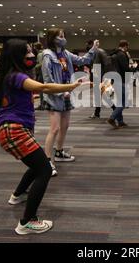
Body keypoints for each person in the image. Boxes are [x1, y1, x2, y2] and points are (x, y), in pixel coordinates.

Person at [0, 39, 86, 235]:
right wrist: (70, 86)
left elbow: (31, 94)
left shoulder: (10, 77)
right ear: (16, 55)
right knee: (44, 169)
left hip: (13, 130)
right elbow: (44, 87)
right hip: (15, 131)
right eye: (27, 52)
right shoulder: (16, 76)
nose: (31, 55)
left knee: (36, 166)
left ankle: (17, 195)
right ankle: (27, 222)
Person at [41, 28, 97, 176]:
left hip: (66, 94)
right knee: (54, 129)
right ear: (53, 38)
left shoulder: (65, 54)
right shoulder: (48, 55)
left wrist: (93, 49)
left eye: (63, 36)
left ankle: (58, 152)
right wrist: (61, 91)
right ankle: (47, 161)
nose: (63, 38)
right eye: (60, 36)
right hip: (55, 96)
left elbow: (83, 60)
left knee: (64, 126)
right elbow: (48, 80)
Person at [107, 40, 132, 129]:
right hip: (121, 80)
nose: (127, 48)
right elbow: (125, 68)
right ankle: (112, 118)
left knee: (119, 102)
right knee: (124, 102)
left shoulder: (114, 54)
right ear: (125, 46)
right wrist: (129, 60)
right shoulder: (122, 55)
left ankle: (120, 121)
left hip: (114, 80)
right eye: (127, 46)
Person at [89, 39, 115, 119]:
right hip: (98, 77)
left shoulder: (100, 52)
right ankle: (97, 113)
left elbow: (107, 63)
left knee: (105, 96)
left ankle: (116, 110)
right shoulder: (94, 53)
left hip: (102, 77)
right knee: (98, 96)